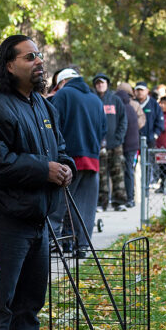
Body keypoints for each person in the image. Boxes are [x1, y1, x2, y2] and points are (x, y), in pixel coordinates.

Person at [0, 34, 76, 330]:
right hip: (2, 224)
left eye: (39, 55)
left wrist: (66, 168)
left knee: (29, 307)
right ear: (9, 66)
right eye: (30, 57)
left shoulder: (43, 104)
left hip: (38, 223)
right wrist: (44, 170)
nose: (39, 61)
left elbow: (61, 150)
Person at [48, 68, 106, 256]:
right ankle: (82, 246)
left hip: (69, 159)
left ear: (64, 82)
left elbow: (53, 125)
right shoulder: (96, 100)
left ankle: (56, 242)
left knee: (60, 204)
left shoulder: (63, 95)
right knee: (85, 206)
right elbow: (103, 129)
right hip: (92, 159)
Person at [92, 73, 128, 211]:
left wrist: (119, 138)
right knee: (101, 175)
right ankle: (101, 203)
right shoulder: (93, 100)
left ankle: (119, 202)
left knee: (118, 173)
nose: (100, 85)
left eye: (103, 82)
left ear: (107, 84)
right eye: (98, 83)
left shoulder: (115, 100)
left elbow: (123, 120)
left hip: (116, 144)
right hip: (99, 145)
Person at [114, 87, 142, 208]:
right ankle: (130, 198)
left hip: (126, 146)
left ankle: (128, 198)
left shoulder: (121, 109)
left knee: (126, 172)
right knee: (129, 171)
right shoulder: (131, 108)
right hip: (133, 145)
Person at [135, 81, 164, 184]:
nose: (139, 92)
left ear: (147, 91)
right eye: (137, 90)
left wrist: (155, 135)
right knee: (134, 164)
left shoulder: (153, 104)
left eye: (142, 90)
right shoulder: (133, 103)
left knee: (148, 162)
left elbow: (160, 121)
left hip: (149, 139)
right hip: (134, 139)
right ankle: (136, 186)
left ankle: (147, 184)